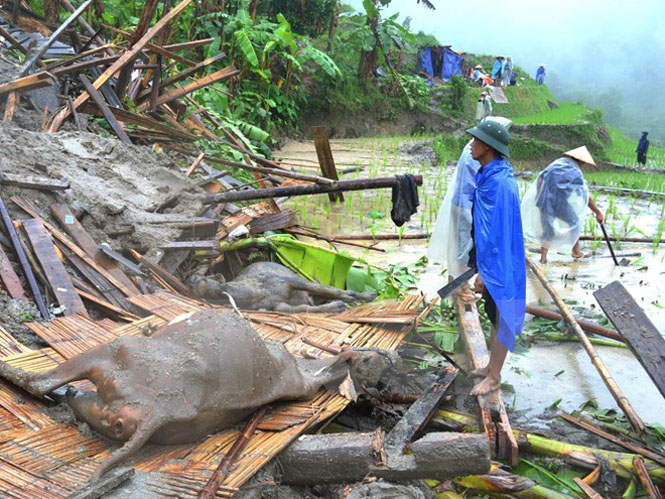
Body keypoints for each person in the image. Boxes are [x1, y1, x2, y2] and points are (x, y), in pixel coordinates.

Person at [465, 120, 526, 395]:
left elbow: (499, 232)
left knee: (501, 316)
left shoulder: (500, 183)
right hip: (491, 258)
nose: (471, 144)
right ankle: (491, 368)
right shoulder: (489, 173)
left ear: (488, 146)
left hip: (499, 261)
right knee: (494, 314)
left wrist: (485, 273)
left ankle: (494, 378)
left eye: (476, 140)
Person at [428, 117, 513, 302]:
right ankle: (462, 286)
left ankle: (458, 283)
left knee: (463, 244)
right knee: (466, 246)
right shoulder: (478, 156)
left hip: (464, 203)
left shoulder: (472, 150)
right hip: (467, 206)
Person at [521, 146, 604, 263]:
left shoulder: (555, 165)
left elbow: (540, 179)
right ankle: (576, 252)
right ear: (579, 160)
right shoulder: (575, 172)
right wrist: (598, 212)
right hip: (561, 203)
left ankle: (543, 258)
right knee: (574, 222)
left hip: (545, 202)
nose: (583, 165)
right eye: (583, 163)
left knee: (548, 229)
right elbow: (585, 196)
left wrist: (539, 195)